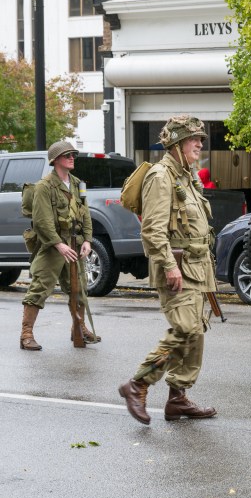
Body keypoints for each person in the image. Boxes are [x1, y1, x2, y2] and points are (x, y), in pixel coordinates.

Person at [118, 115, 218, 425]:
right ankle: (138, 384)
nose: (199, 144)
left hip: (199, 266)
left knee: (196, 332)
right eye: (193, 139)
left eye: (200, 139)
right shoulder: (161, 177)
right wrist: (170, 266)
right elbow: (152, 230)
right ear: (176, 144)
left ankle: (177, 398)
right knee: (186, 329)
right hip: (177, 266)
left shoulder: (187, 175)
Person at [19, 141, 99, 350]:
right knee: (39, 288)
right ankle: (26, 334)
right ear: (55, 160)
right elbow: (41, 222)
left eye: (73, 154)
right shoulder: (44, 187)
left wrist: (88, 240)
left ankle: (78, 329)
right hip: (52, 246)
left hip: (74, 243)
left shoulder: (77, 183)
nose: (72, 157)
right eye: (67, 155)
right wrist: (58, 245)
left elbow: (86, 214)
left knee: (78, 289)